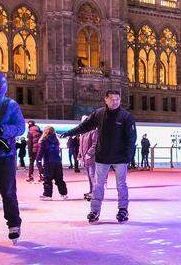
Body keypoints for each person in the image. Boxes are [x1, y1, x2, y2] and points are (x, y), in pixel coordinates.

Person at [61, 89, 137, 224]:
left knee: (121, 185)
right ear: (106, 100)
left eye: (117, 100)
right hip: (102, 156)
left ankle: (123, 210)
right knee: (98, 185)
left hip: (120, 158)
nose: (115, 102)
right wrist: (70, 133)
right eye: (112, 99)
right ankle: (95, 211)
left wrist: (128, 157)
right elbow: (85, 126)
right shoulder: (99, 114)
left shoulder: (126, 116)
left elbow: (131, 138)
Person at [0, 70, 25, 242]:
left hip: (5, 154)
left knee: (8, 192)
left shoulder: (10, 104)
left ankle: (14, 224)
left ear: (1, 84)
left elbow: (20, 127)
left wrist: (2, 130)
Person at [38, 126, 68, 201]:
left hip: (48, 162)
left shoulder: (44, 140)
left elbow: (41, 152)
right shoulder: (56, 140)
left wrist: (38, 160)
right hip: (57, 162)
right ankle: (64, 194)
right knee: (59, 179)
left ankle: (47, 195)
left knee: (47, 179)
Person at [78, 115, 98, 201]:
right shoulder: (83, 133)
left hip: (92, 158)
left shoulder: (94, 131)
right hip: (85, 158)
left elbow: (95, 144)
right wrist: (79, 155)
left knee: (93, 175)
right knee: (89, 176)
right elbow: (81, 146)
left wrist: (89, 153)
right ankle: (91, 191)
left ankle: (95, 193)